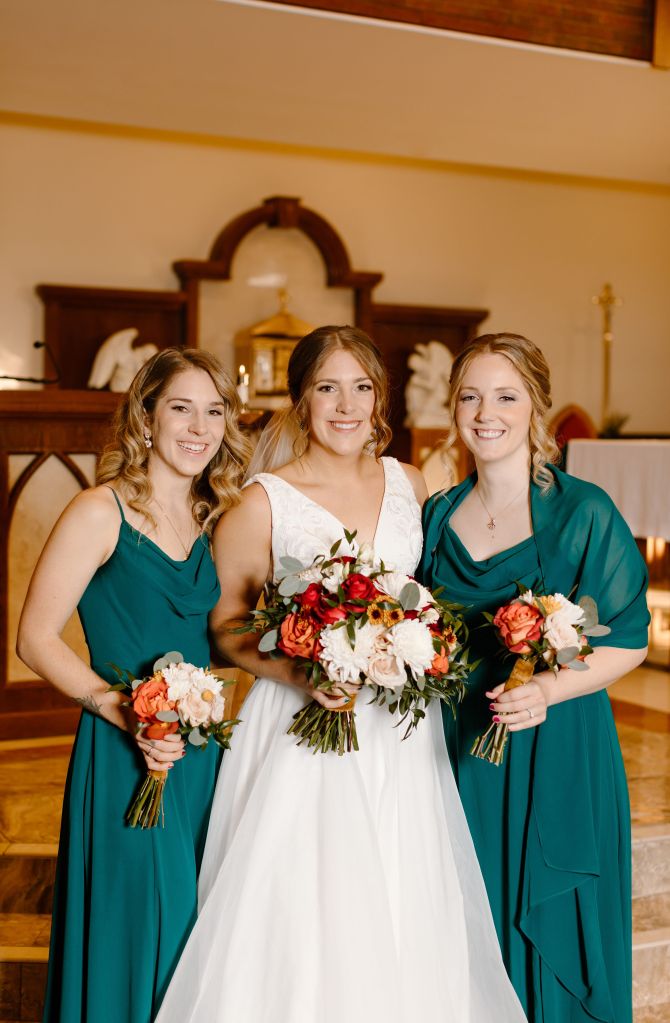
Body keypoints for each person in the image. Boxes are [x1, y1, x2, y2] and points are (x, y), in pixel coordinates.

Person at [155, 326, 526, 1023]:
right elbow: (227, 626)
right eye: (327, 387)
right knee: (309, 899)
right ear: (301, 399)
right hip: (303, 726)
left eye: (361, 387)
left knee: (404, 885)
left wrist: (421, 646)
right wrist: (302, 673)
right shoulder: (261, 501)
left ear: (379, 398)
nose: (346, 405)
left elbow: (424, 594)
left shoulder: (410, 482)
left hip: (401, 730)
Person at [419, 333, 649, 1023]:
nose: (485, 413)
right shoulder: (437, 516)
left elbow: (630, 639)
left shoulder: (584, 511)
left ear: (535, 407)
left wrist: (549, 687)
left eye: (505, 396)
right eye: (470, 396)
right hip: (462, 750)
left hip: (559, 747)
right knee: (471, 921)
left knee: (549, 940)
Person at [17, 348, 250, 1023]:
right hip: (127, 752)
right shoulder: (100, 511)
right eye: (181, 408)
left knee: (194, 930)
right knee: (143, 922)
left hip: (200, 754)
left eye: (214, 412)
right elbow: (35, 639)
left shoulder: (214, 519)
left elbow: (224, 638)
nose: (199, 428)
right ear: (146, 418)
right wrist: (126, 712)